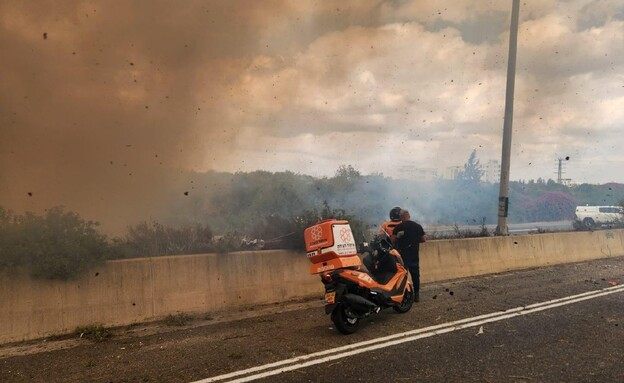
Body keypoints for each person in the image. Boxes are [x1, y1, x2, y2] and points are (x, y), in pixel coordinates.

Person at [391, 209, 426, 302]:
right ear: (409, 216)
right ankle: (417, 295)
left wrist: (399, 238)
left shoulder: (399, 227)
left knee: (403, 277)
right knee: (415, 276)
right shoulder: (418, 226)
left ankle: (403, 296)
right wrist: (414, 240)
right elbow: (423, 239)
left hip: (403, 257)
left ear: (402, 217)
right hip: (414, 256)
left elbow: (392, 240)